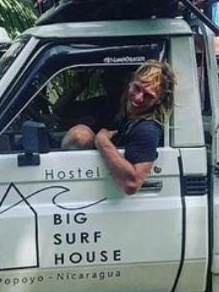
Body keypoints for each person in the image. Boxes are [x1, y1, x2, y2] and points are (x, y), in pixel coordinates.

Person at [63, 61, 176, 194]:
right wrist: (79, 85)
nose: (138, 98)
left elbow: (132, 184)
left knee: (80, 135)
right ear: (129, 82)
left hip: (110, 199)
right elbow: (61, 112)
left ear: (158, 100)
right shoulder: (119, 110)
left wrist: (102, 141)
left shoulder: (147, 130)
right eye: (137, 88)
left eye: (148, 96)